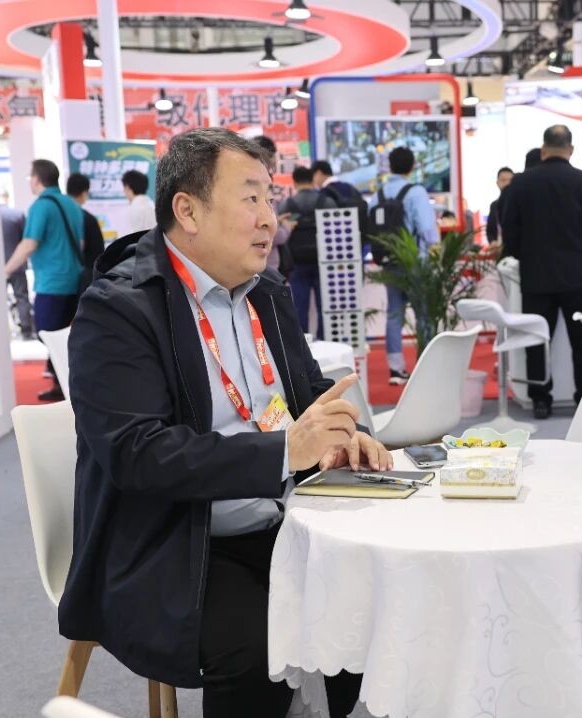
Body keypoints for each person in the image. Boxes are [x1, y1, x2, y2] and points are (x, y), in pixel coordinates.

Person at [62, 128, 381, 718]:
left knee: (373, 604)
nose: (270, 219)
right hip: (178, 545)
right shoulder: (119, 309)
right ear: (187, 210)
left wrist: (345, 434)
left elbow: (308, 395)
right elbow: (140, 454)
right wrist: (285, 451)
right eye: (250, 198)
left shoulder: (266, 292)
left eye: (270, 198)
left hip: (288, 522)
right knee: (259, 648)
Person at [500, 125, 582, 419]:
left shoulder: (520, 183)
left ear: (543, 149)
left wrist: (524, 255)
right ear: (570, 149)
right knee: (581, 341)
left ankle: (540, 400)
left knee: (536, 340)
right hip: (576, 273)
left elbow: (510, 229)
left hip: (535, 274)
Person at [4, 159, 85, 402]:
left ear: (37, 179)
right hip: (74, 280)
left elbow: (29, 243)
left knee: (47, 333)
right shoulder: (71, 205)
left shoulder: (41, 206)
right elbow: (80, 243)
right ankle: (64, 384)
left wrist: (5, 271)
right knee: (66, 336)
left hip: (52, 283)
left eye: (31, 177)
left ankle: (69, 385)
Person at [367, 146, 439, 385]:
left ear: (390, 166)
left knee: (394, 315)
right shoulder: (415, 192)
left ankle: (396, 370)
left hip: (390, 263)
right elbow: (426, 228)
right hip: (415, 262)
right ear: (412, 166)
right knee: (424, 314)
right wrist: (435, 249)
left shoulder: (377, 195)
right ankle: (426, 365)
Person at [278, 166, 337, 338]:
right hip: (324, 262)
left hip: (297, 264)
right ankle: (325, 342)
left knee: (299, 307)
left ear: (294, 182)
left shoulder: (287, 204)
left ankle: (303, 344)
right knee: (325, 307)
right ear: (312, 180)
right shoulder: (327, 202)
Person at [65, 173, 110, 295]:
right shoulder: (87, 219)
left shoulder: (59, 217)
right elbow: (98, 253)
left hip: (60, 279)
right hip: (85, 279)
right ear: (84, 193)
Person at [0, 197, 33, 339]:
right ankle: (26, 330)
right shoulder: (17, 215)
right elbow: (25, 239)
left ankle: (1, 332)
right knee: (22, 297)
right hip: (17, 264)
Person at [484, 166, 514, 246]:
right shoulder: (494, 206)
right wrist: (492, 241)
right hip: (499, 248)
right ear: (497, 182)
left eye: (510, 180)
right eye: (503, 180)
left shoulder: (521, 204)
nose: (507, 183)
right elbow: (490, 230)